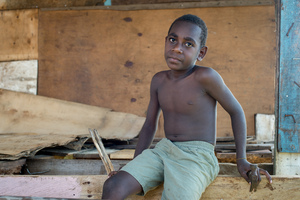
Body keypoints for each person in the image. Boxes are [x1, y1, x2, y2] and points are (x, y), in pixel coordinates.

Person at [102, 14, 272, 200]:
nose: (177, 48)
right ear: (166, 41)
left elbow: (236, 111)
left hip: (196, 157)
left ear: (201, 53)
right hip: (163, 150)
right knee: (113, 186)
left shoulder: (206, 77)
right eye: (173, 40)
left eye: (188, 44)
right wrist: (136, 164)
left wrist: (241, 160)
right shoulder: (158, 80)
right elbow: (150, 124)